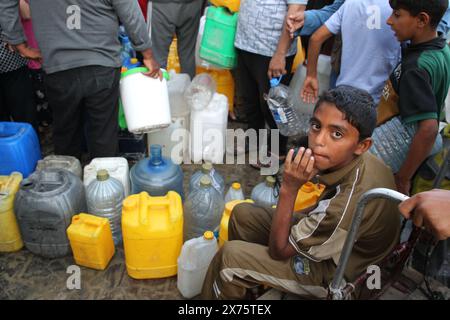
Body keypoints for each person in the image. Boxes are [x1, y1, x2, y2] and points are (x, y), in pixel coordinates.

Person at [201, 86, 400, 300]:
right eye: (316, 126)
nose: (319, 141)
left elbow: (280, 250)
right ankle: (253, 281)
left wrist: (289, 187)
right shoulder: (359, 159)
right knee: (243, 216)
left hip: (342, 275)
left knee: (230, 259)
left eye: (336, 133)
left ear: (362, 145)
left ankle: (240, 276)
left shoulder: (345, 204)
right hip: (339, 243)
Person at [0, 0, 161, 160]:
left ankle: (67, 181)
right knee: (103, 135)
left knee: (66, 135)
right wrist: (146, 53)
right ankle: (104, 180)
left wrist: (18, 42)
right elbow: (130, 11)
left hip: (58, 66)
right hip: (101, 62)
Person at [370, 0, 450, 195]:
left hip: (394, 152)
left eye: (397, 15)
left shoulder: (416, 67)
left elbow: (428, 128)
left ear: (422, 20)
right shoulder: (441, 48)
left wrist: (403, 177)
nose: (389, 21)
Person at [234, 0, 308, 168]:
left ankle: (278, 150)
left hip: (272, 51)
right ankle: (254, 140)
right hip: (245, 44)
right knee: (250, 99)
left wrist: (280, 54)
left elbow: (295, 12)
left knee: (274, 105)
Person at [300, 0, 401, 106]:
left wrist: (311, 76)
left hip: (343, 91)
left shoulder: (351, 3)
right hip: (377, 98)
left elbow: (316, 38)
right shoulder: (399, 10)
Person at [150, 0, 204, 79]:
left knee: (157, 56)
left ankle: (158, 89)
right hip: (192, 4)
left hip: (161, 5)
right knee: (188, 54)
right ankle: (188, 88)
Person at [0, 25, 37, 130]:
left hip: (12, 61)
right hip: (12, 58)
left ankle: (28, 144)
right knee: (24, 114)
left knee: (25, 115)